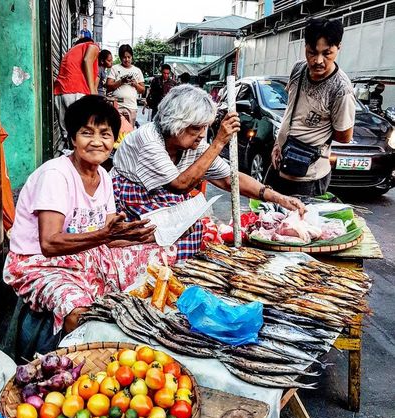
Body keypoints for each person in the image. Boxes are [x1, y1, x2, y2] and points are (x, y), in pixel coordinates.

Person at [3, 95, 168, 335]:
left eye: (105, 134)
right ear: (73, 138)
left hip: (83, 253)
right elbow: (49, 244)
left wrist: (138, 236)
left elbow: (108, 233)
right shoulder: (56, 175)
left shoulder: (103, 176)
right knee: (79, 310)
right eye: (87, 133)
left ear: (114, 140)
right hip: (38, 262)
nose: (97, 142)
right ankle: (80, 355)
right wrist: (105, 236)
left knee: (160, 256)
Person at [111, 85, 305, 262]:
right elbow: (179, 185)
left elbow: (230, 179)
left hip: (163, 206)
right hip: (131, 205)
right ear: (175, 123)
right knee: (155, 243)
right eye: (196, 128)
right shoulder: (148, 140)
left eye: (205, 127)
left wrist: (279, 199)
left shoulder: (193, 145)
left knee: (193, 231)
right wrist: (219, 142)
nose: (202, 134)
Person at [270, 18, 356, 197]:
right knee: (267, 218)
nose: (318, 60)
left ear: (338, 48)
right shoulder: (298, 69)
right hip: (280, 162)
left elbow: (345, 136)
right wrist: (279, 143)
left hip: (308, 176)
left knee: (299, 224)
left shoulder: (341, 89)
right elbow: (291, 108)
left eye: (327, 53)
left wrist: (312, 136)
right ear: (305, 46)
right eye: (312, 52)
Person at [53, 38, 99, 145]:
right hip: (77, 92)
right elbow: (87, 60)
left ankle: (70, 157)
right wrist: (92, 92)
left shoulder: (71, 52)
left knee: (67, 134)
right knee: (83, 132)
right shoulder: (92, 46)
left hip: (60, 93)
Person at [106, 44, 145, 127]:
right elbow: (108, 86)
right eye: (124, 57)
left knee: (129, 131)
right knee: (116, 130)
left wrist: (135, 84)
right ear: (120, 57)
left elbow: (142, 90)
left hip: (131, 106)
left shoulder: (137, 71)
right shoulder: (115, 68)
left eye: (129, 57)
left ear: (132, 57)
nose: (127, 60)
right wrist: (122, 81)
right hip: (117, 105)